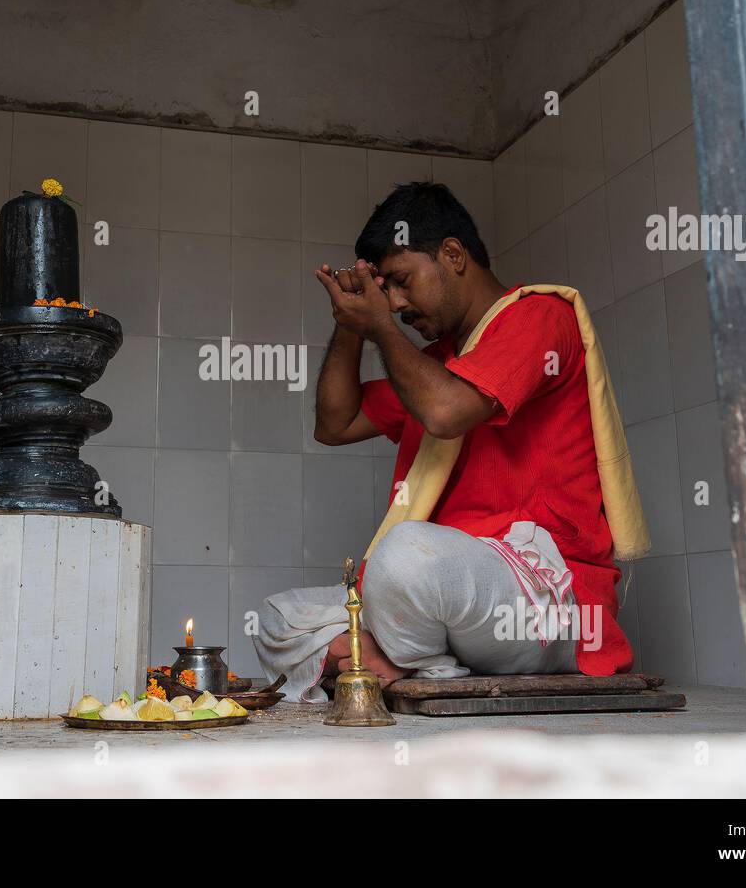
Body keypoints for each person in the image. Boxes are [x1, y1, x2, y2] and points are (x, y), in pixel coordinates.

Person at [253, 182, 636, 700]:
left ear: (452, 254)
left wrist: (383, 330)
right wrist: (352, 326)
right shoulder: (433, 366)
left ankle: (403, 659)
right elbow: (334, 424)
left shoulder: (541, 316)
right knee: (277, 619)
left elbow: (448, 412)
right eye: (383, 289)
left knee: (405, 556)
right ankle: (417, 656)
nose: (395, 302)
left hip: (545, 599)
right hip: (447, 602)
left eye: (401, 280)